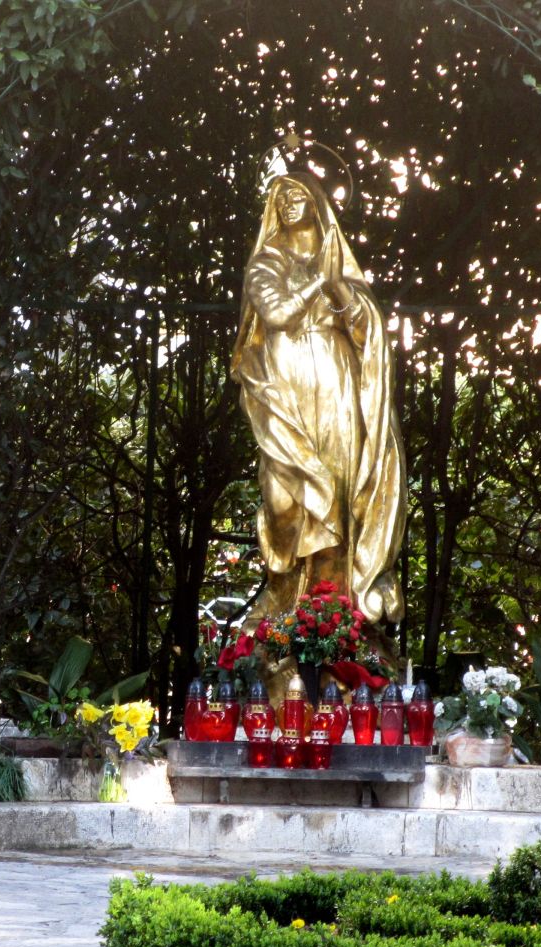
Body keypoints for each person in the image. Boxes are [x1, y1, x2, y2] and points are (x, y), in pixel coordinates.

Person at [232, 171, 406, 631]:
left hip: (335, 383)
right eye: (280, 196)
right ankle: (283, 595)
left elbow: (366, 329)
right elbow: (279, 314)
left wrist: (346, 294)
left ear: (317, 202)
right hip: (284, 388)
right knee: (282, 497)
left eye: (297, 193)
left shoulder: (340, 265)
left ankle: (334, 618)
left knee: (340, 491)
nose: (288, 201)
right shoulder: (266, 263)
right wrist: (319, 284)